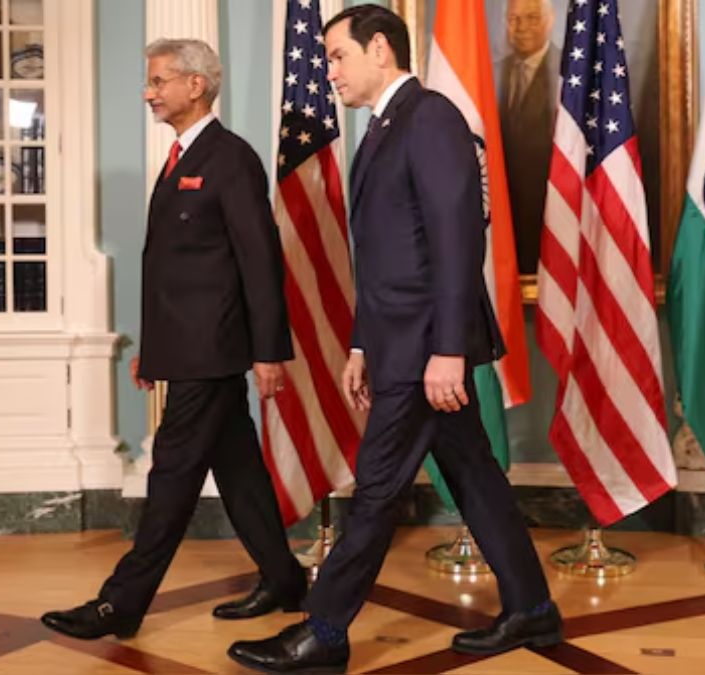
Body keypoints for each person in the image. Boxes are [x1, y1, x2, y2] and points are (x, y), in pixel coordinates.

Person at [227, 7, 561, 673]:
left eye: (338, 56)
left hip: (424, 349)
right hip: (399, 342)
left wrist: (448, 350)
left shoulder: (429, 117)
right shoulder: (385, 126)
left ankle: (325, 630)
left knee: (377, 488)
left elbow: (455, 240)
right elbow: (385, 258)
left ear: (380, 49)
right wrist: (360, 345)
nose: (330, 72)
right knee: (475, 475)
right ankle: (532, 607)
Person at [40, 38, 306, 641]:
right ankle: (284, 579)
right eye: (150, 81)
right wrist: (153, 351)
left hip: (211, 353)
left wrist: (268, 352)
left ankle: (121, 603)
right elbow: (174, 271)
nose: (148, 93)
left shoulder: (229, 158)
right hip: (187, 349)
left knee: (171, 477)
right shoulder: (182, 157)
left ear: (196, 84)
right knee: (239, 471)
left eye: (159, 81)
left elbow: (260, 261)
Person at [497, 0, 559, 274]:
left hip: (551, 219)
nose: (522, 27)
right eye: (514, 19)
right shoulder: (491, 72)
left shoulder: (568, 73)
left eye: (532, 18)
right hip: (501, 217)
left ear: (550, 20)